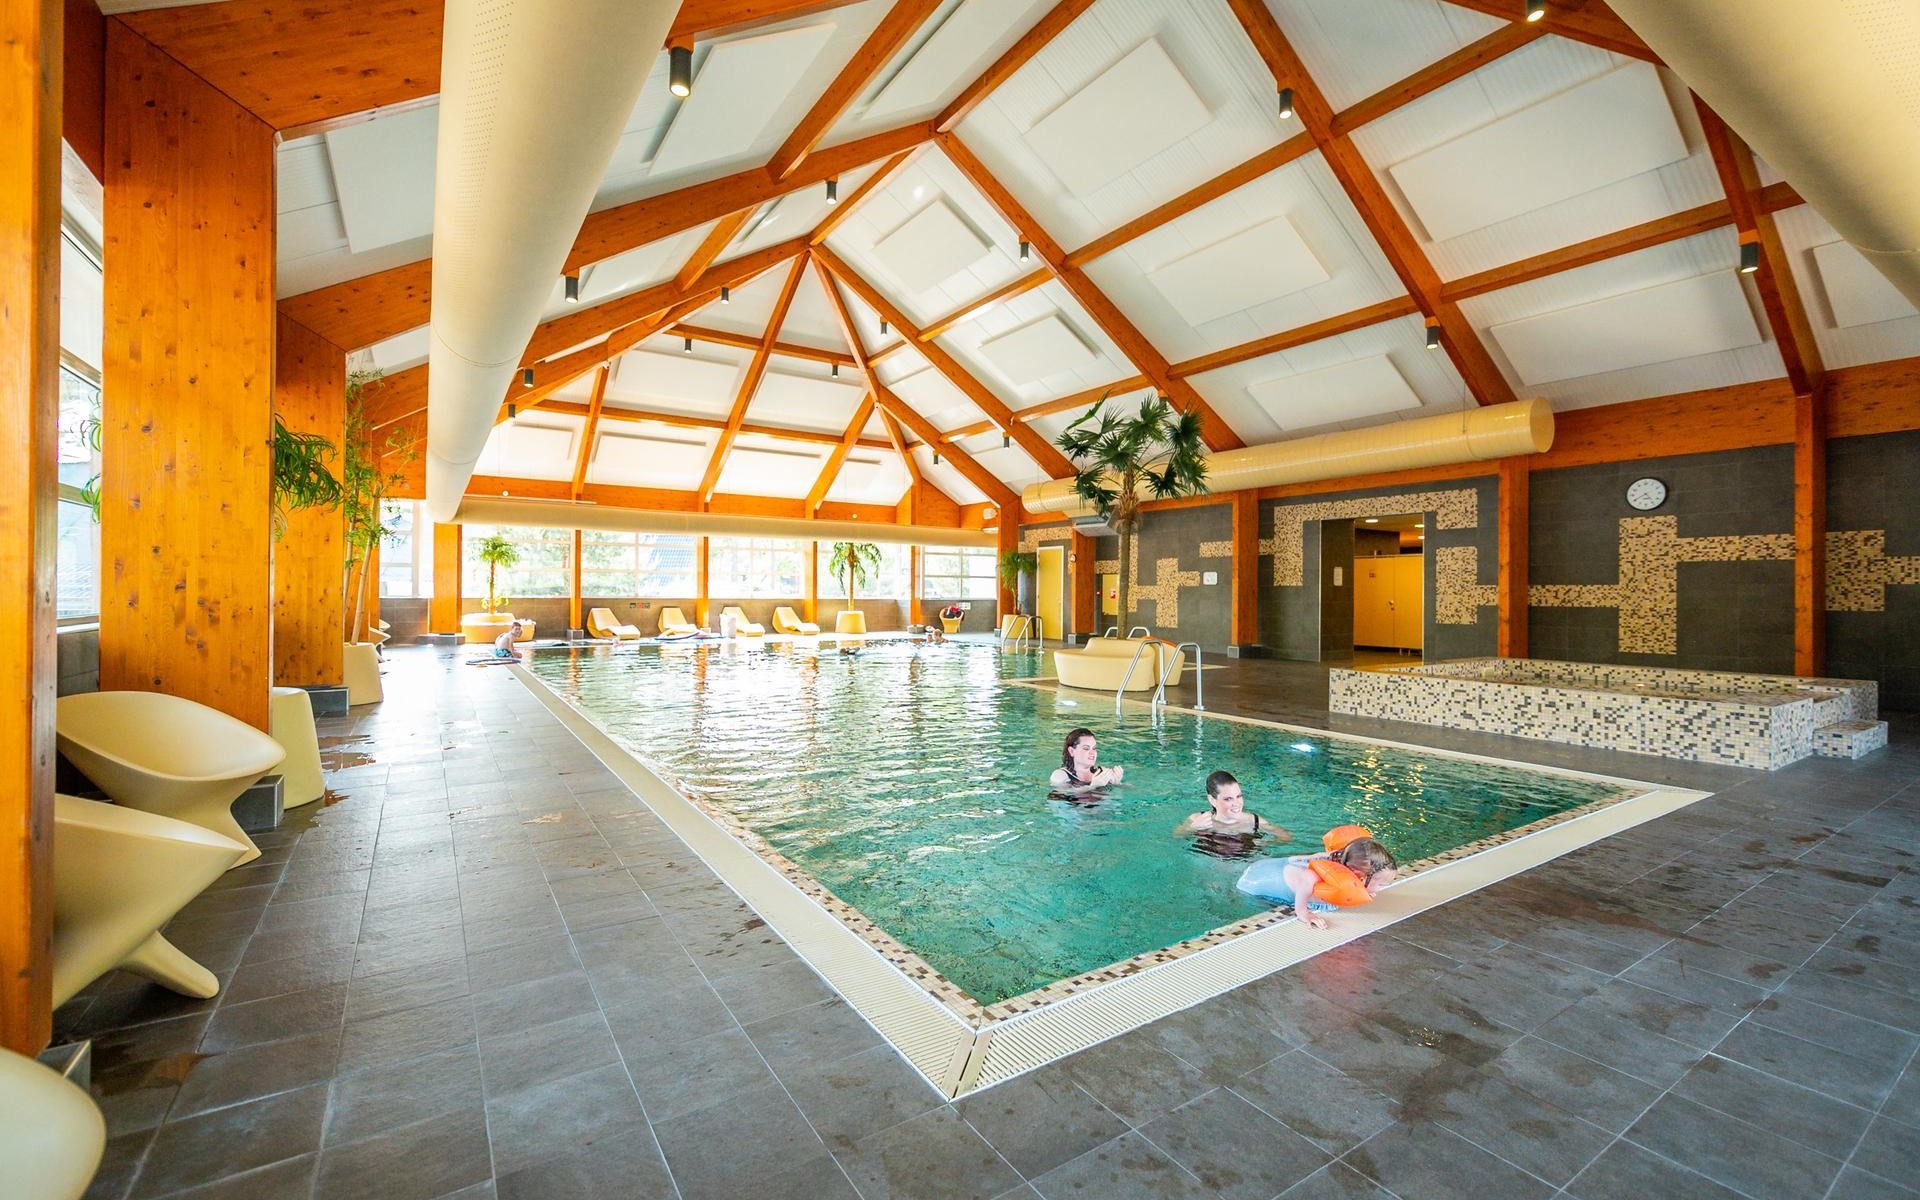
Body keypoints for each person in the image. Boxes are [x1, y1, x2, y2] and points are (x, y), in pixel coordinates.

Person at [1235, 825, 1397, 930]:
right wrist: (1302, 912)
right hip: (1256, 883)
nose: (1383, 887)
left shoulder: (1343, 858)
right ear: (1359, 876)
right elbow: (1307, 878)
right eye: (1381, 884)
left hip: (1268, 865)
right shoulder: (1320, 876)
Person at [1175, 770, 1290, 841]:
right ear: (1212, 800)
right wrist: (1192, 828)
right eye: (1228, 799)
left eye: (1239, 796)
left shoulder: (1254, 821)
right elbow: (1177, 836)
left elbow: (1285, 836)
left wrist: (1264, 843)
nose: (1237, 804)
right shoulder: (1198, 819)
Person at [1049, 728, 1124, 792]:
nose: (1092, 753)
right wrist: (1093, 786)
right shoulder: (1060, 776)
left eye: (1094, 748)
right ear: (1071, 751)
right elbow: (1057, 799)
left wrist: (1117, 784)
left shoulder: (1102, 772)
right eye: (1086, 748)